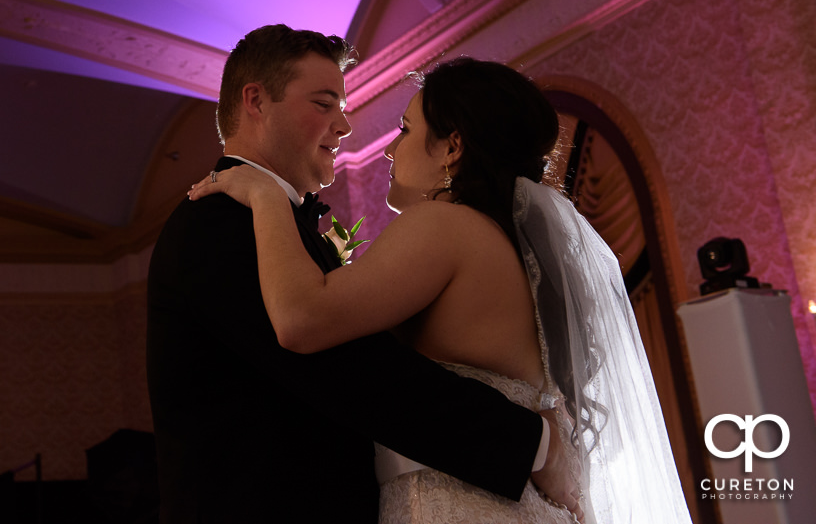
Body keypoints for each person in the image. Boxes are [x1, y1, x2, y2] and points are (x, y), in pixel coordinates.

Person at [188, 56, 692, 523]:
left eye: (405, 130)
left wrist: (264, 195)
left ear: (453, 147)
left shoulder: (443, 226)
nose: (388, 148)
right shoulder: (503, 245)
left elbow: (301, 318)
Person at [146, 26, 580, 524]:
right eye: (324, 103)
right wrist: (536, 445)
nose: (347, 125)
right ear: (256, 101)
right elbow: (361, 375)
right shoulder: (219, 220)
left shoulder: (285, 225)